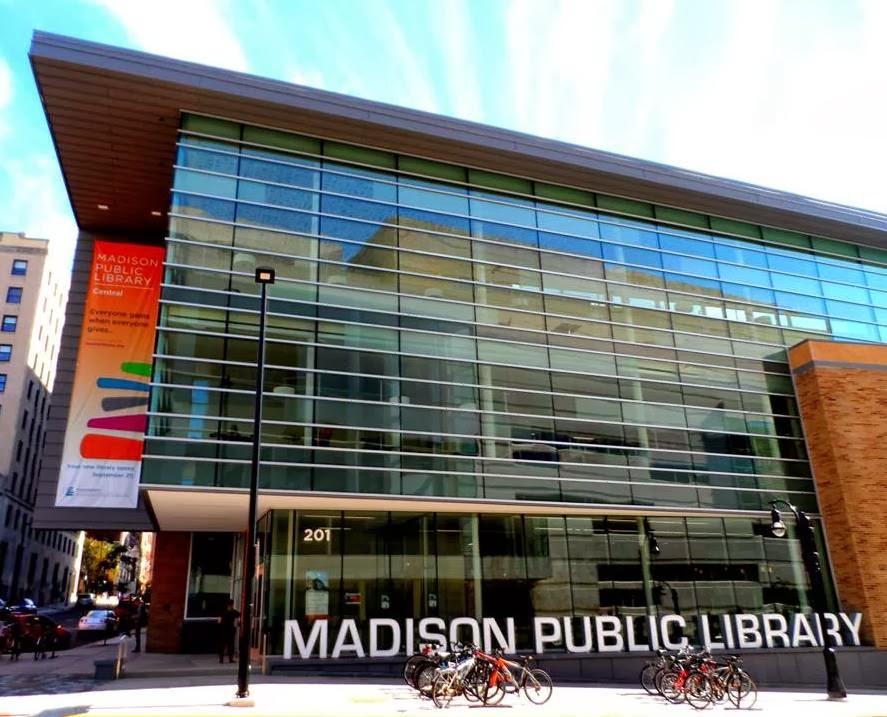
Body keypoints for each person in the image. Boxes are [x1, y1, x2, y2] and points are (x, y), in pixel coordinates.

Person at [217, 599, 239, 664]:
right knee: (230, 645)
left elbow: (219, 621)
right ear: (232, 605)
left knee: (222, 645)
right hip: (230, 630)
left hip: (223, 630)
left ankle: (221, 659)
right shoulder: (233, 612)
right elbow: (238, 615)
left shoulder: (222, 612)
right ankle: (230, 659)